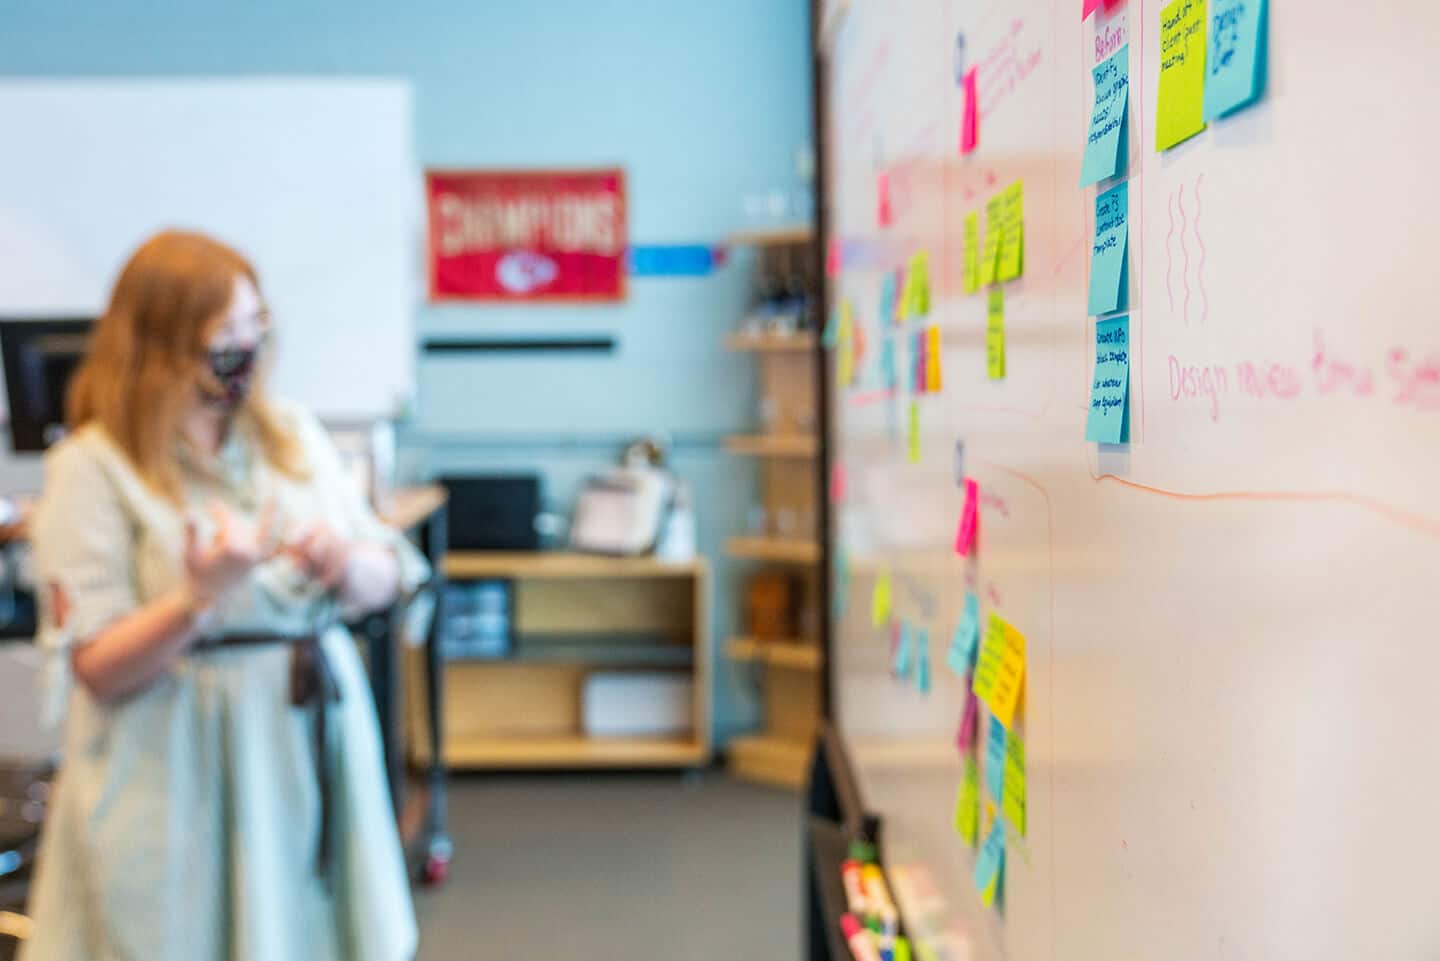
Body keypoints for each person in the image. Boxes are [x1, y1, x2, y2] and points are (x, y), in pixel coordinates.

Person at [19, 230, 424, 961]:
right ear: (164, 341)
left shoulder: (290, 435)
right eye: (226, 331)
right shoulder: (91, 468)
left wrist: (344, 561)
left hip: (301, 742)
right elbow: (98, 664)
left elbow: (389, 573)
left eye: (256, 326)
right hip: (172, 766)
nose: (248, 346)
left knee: (308, 929)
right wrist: (197, 598)